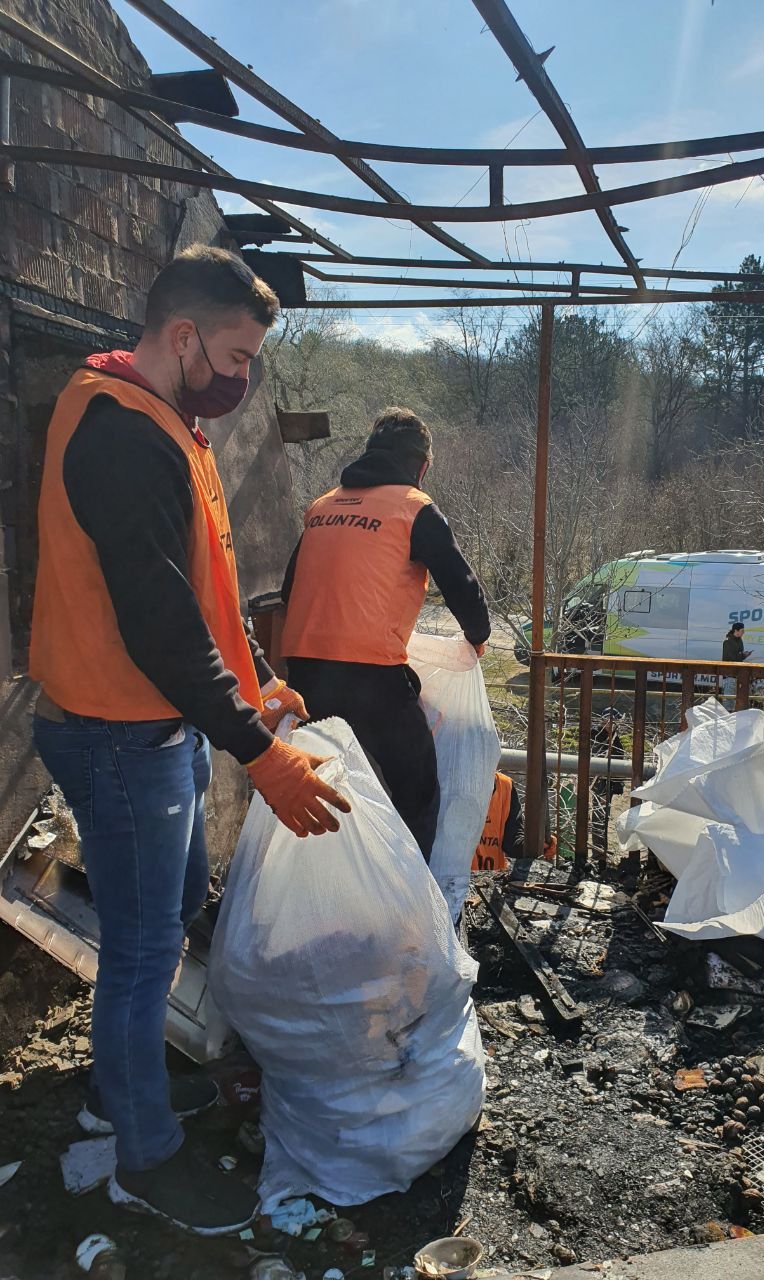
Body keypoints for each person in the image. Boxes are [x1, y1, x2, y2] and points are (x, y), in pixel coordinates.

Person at [29, 245, 350, 1236]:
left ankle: (116, 1094)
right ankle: (144, 1153)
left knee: (165, 912)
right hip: (116, 731)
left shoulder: (171, 422)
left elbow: (201, 586)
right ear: (181, 338)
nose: (245, 377)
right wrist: (258, 751)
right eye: (237, 354)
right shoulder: (121, 433)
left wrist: (255, 684)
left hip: (148, 727)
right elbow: (161, 623)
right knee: (139, 950)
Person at [281, 408, 490, 860]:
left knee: (323, 787)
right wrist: (477, 635)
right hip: (372, 680)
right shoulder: (414, 508)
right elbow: (461, 583)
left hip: (303, 678)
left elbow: (287, 588)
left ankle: (329, 889)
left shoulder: (322, 507)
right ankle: (408, 906)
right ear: (422, 466)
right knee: (417, 792)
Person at [590, 707, 626, 857]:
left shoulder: (615, 738)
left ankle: (601, 848)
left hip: (609, 783)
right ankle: (598, 850)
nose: (610, 724)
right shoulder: (597, 736)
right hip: (599, 782)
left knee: (604, 816)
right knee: (599, 815)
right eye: (608, 721)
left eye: (613, 722)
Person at [472, 771, 524, 871]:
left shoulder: (506, 786)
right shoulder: (449, 782)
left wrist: (537, 842)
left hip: (490, 880)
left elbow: (512, 842)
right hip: (450, 880)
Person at [721, 621, 752, 701]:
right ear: (736, 631)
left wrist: (744, 655)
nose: (743, 633)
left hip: (737, 673)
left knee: (735, 699)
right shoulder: (727, 642)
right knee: (729, 700)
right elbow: (730, 658)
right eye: (742, 630)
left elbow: (738, 657)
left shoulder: (739, 641)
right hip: (729, 674)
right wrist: (743, 655)